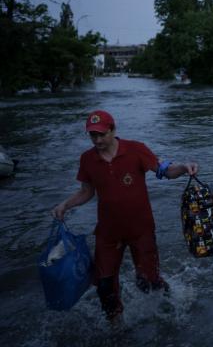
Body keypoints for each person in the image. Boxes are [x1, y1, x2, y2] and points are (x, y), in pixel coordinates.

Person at [51, 110, 198, 322]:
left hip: (141, 230)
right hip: (108, 234)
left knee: (148, 282)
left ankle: (172, 299)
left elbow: (165, 171)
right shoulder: (87, 159)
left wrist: (184, 167)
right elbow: (86, 192)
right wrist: (65, 205)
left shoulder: (136, 150)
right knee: (104, 285)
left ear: (113, 130)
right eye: (93, 135)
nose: (98, 140)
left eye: (102, 134)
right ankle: (117, 328)